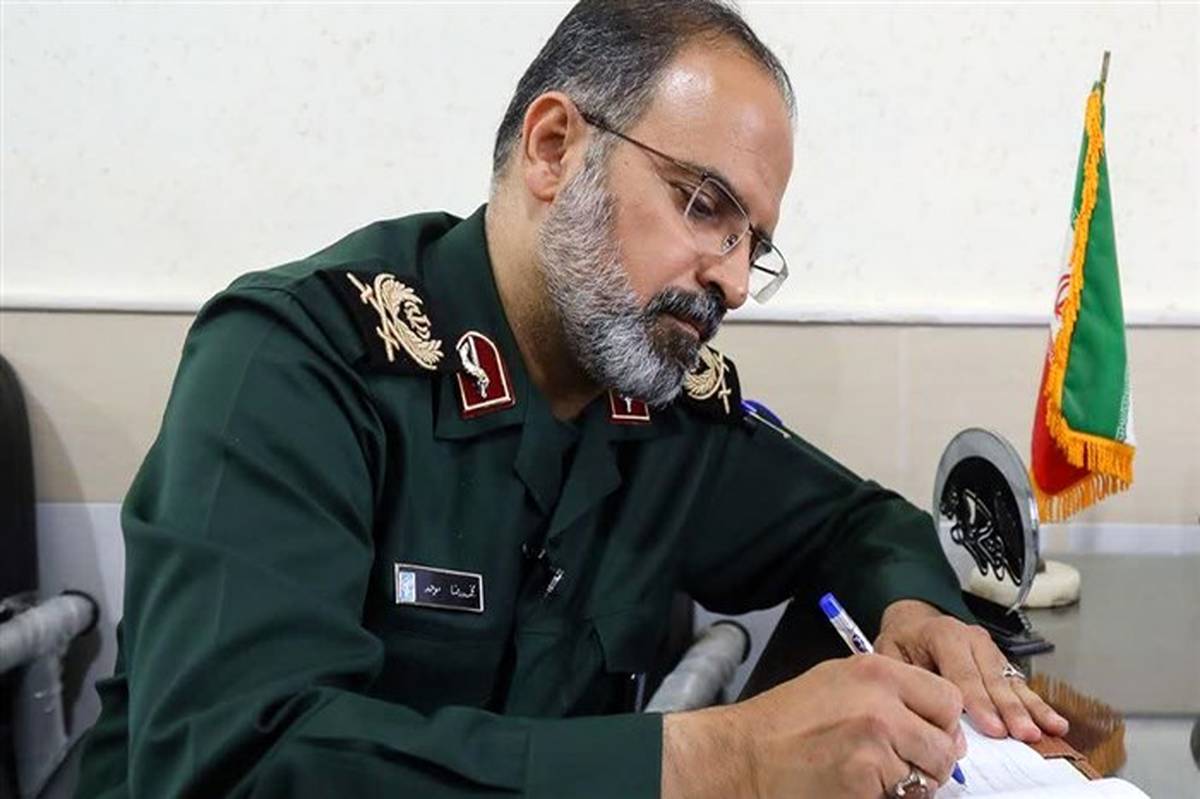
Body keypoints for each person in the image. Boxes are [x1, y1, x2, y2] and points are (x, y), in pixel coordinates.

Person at [75, 2, 1068, 797]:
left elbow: (855, 522)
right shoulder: (298, 365)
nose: (730, 279)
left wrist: (918, 607)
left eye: (753, 244)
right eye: (704, 205)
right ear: (553, 147)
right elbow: (234, 762)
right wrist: (722, 759)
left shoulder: (653, 404)